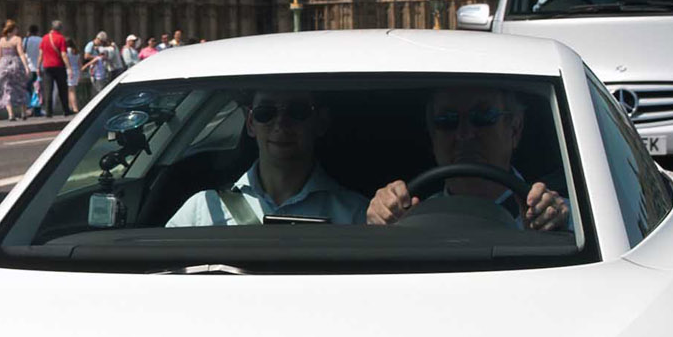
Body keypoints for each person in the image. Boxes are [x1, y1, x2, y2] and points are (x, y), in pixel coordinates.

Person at [367, 87, 573, 231]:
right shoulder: (408, 220)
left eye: (482, 117)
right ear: (432, 136)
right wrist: (382, 226)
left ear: (515, 129)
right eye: (447, 120)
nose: (464, 134)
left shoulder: (569, 219)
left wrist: (555, 234)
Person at [166, 89, 369, 226]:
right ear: (251, 124)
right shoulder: (203, 208)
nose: (281, 124)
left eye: (297, 111)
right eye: (266, 113)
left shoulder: (357, 215)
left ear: (321, 123)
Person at [0, 20, 29, 119]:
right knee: (20, 87)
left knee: (6, 89)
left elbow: (0, 56)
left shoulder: (1, 40)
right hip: (15, 63)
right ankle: (23, 112)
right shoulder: (17, 39)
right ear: (14, 29)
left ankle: (10, 114)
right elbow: (21, 53)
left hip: (3, 64)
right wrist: (26, 66)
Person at [39, 20, 73, 116]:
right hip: (59, 66)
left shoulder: (45, 38)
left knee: (48, 89)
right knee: (62, 89)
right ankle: (66, 110)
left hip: (47, 66)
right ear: (60, 28)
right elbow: (63, 54)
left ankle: (48, 111)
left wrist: (38, 66)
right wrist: (69, 67)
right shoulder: (61, 38)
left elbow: (40, 54)